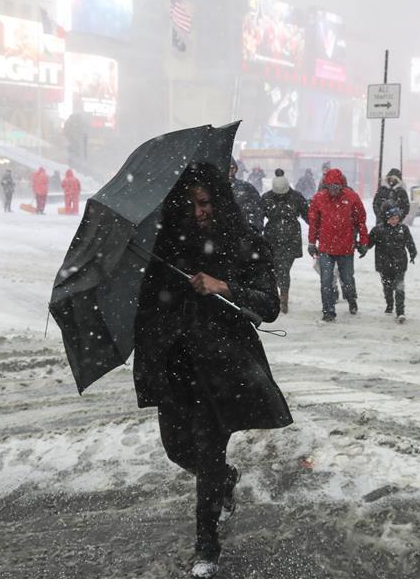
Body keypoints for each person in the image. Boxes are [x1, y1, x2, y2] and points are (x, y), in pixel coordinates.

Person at [133, 162, 292, 579]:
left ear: (219, 201)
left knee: (207, 449)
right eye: (190, 205)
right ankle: (225, 479)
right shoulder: (166, 248)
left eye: (204, 203)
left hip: (221, 366)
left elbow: (268, 305)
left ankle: (207, 546)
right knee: (177, 449)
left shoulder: (243, 242)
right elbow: (149, 306)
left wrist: (223, 286)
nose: (199, 212)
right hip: (175, 364)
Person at [307, 167, 369, 322]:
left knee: (347, 278)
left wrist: (363, 242)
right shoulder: (319, 198)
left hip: (346, 247)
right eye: (331, 187)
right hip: (326, 247)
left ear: (342, 185)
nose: (334, 190)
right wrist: (311, 242)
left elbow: (361, 221)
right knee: (326, 280)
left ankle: (351, 297)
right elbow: (313, 222)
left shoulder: (352, 197)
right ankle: (328, 310)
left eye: (337, 187)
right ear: (326, 186)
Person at [261, 168, 308, 314]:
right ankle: (278, 297)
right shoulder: (267, 198)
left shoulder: (296, 197)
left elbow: (308, 216)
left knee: (284, 269)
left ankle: (283, 298)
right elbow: (258, 216)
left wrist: (318, 231)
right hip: (273, 239)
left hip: (290, 240)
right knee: (275, 269)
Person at [366, 204, 417, 323]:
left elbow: (409, 242)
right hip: (383, 264)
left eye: (396, 218)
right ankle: (389, 303)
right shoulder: (378, 230)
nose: (394, 221)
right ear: (386, 218)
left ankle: (400, 311)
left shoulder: (403, 229)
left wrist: (413, 252)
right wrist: (363, 248)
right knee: (387, 287)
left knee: (399, 287)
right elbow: (369, 243)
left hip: (400, 263)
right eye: (392, 218)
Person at [228, 157, 263, 231]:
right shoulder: (214, 188)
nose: (230, 171)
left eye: (232, 168)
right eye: (228, 168)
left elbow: (258, 208)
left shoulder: (246, 187)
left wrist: (256, 227)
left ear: (235, 169)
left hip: (244, 231)